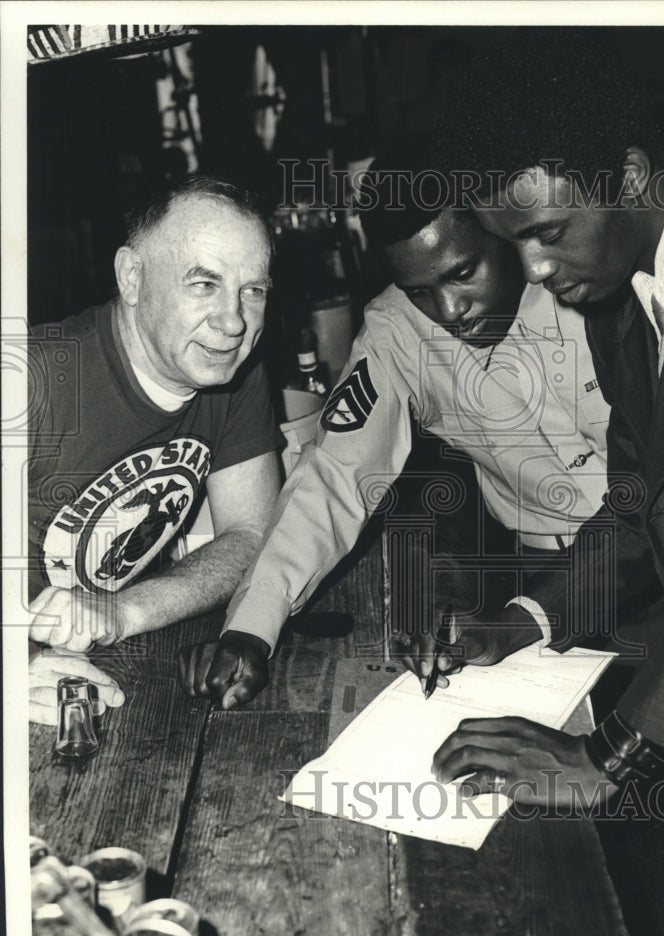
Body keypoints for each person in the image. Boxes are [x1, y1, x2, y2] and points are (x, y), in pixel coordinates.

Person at [422, 29, 664, 808]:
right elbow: (638, 508)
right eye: (515, 248)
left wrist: (610, 758)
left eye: (549, 234)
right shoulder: (619, 295)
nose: (539, 274)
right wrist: (522, 622)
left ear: (628, 172)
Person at [177, 142, 613, 708]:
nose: (449, 311)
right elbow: (335, 476)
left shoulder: (584, 280)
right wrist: (250, 628)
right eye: (418, 292)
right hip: (535, 575)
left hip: (652, 551)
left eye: (462, 273)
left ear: (500, 229)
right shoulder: (394, 331)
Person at [28, 175, 284, 723]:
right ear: (132, 277)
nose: (234, 321)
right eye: (204, 283)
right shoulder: (36, 379)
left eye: (253, 290)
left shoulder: (231, 372)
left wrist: (122, 611)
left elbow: (251, 532)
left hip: (122, 662)